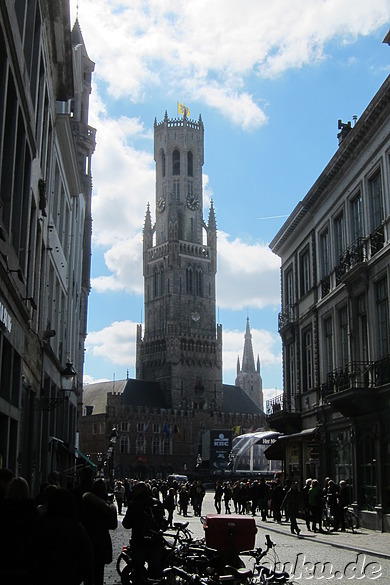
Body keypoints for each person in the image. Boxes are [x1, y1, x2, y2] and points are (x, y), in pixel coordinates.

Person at [31, 488, 94, 585]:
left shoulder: (41, 524)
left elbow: (32, 550)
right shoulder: (75, 527)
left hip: (44, 575)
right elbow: (86, 557)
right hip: (68, 575)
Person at [122, 481, 167, 581]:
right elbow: (164, 522)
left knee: (138, 571)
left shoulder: (134, 504)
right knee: (155, 571)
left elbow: (126, 524)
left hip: (139, 542)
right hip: (155, 542)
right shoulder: (156, 502)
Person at [81, 478, 118, 585]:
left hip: (87, 539)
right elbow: (113, 525)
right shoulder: (108, 506)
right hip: (101, 540)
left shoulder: (85, 502)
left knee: (87, 571)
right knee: (99, 571)